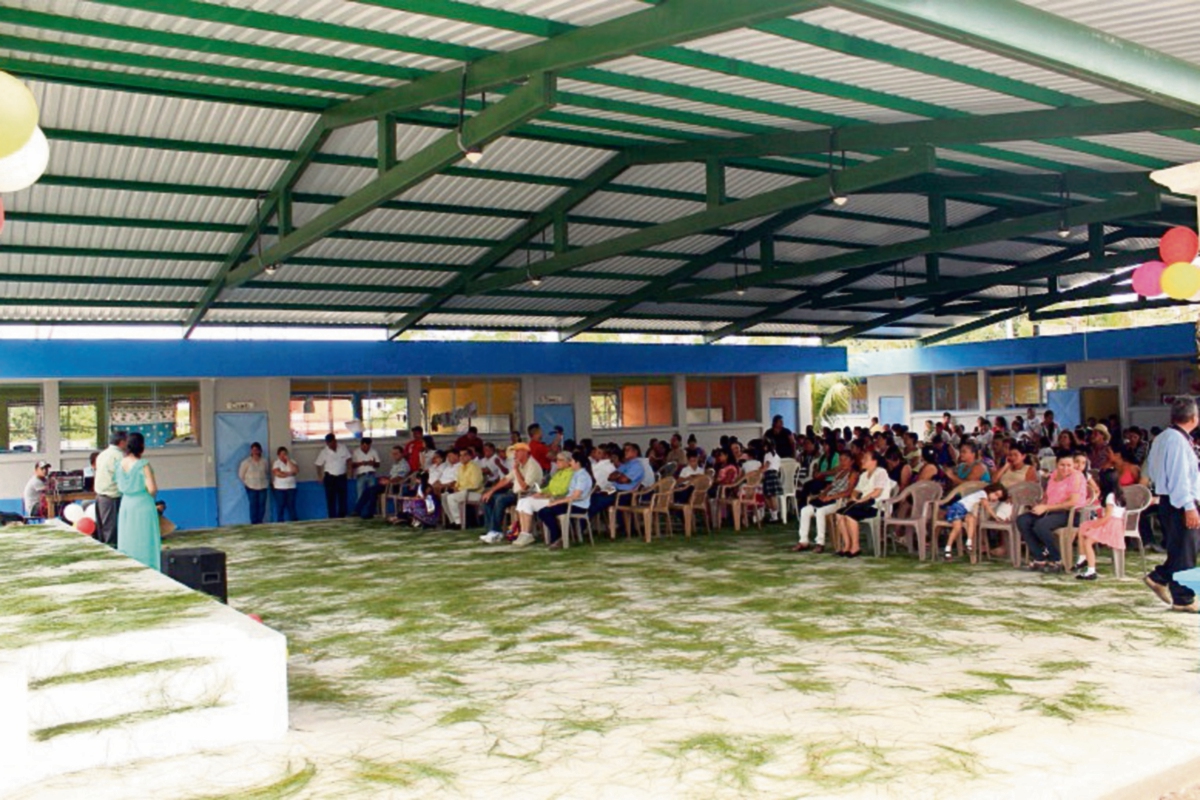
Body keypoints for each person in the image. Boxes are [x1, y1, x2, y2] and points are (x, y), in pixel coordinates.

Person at [1144, 397, 1200, 612]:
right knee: (1185, 552)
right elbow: (1179, 477)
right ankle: (1183, 598)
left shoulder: (1163, 437)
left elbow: (1154, 470)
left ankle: (1160, 576)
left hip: (1171, 499)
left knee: (1182, 549)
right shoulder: (1176, 440)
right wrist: (1189, 506)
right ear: (1193, 417)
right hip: (1179, 501)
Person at [1017, 453, 1086, 573]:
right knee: (1023, 520)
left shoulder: (1076, 476)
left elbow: (1072, 502)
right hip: (1051, 511)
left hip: (1069, 513)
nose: (1065, 468)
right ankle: (1039, 557)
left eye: (1069, 465)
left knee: (1040, 525)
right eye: (1062, 465)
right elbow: (1047, 496)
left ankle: (1057, 559)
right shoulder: (1054, 475)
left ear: (1073, 465)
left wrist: (1046, 507)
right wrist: (1040, 505)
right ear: (1056, 464)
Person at [479, 442, 544, 545]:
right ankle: (491, 530)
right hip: (515, 493)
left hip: (527, 495)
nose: (515, 454)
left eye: (518, 451)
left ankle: (496, 532)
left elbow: (525, 487)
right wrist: (491, 491)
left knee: (501, 499)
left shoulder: (532, 465)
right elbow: (506, 479)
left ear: (525, 452)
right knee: (488, 498)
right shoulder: (519, 464)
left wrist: (516, 470)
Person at [793, 456, 859, 554]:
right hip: (828, 499)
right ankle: (803, 541)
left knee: (820, 512)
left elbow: (848, 492)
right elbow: (830, 486)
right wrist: (823, 494)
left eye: (845, 459)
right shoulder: (840, 473)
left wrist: (832, 497)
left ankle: (820, 542)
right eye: (841, 460)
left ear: (852, 461)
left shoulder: (853, 474)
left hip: (839, 501)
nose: (842, 462)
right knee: (805, 510)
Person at [831, 450, 890, 558]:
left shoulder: (881, 472)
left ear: (874, 461)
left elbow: (877, 492)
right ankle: (847, 545)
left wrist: (861, 500)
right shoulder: (864, 475)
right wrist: (853, 497)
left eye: (865, 459)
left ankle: (855, 546)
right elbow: (856, 490)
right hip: (863, 504)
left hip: (876, 506)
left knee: (850, 515)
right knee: (839, 514)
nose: (862, 460)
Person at [115, 433, 160, 571]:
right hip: (143, 503)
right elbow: (152, 488)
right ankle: (149, 566)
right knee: (145, 538)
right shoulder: (143, 465)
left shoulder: (119, 464)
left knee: (128, 537)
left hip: (126, 503)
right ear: (141, 446)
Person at [1073, 469, 1128, 581]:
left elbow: (1107, 517)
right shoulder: (1118, 494)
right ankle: (1083, 557)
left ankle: (1091, 570)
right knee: (1083, 526)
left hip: (1110, 525)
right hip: (1111, 522)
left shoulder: (1110, 497)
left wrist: (1094, 526)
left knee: (1088, 541)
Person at [514, 451, 576, 547]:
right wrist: (541, 492)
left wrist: (546, 494)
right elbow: (549, 487)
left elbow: (563, 490)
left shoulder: (571, 473)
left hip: (557, 499)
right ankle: (523, 533)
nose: (557, 462)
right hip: (549, 497)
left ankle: (527, 534)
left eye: (560, 460)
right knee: (522, 501)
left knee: (528, 503)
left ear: (568, 462)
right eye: (556, 460)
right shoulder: (558, 473)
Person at [535, 450, 595, 549]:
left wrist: (557, 502)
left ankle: (557, 537)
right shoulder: (576, 474)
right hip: (571, 503)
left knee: (545, 512)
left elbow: (575, 496)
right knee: (543, 511)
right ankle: (558, 536)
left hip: (578, 505)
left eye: (571, 461)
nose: (570, 463)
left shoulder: (582, 476)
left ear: (577, 463)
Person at [938, 483, 1008, 561]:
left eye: (998, 497)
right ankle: (948, 548)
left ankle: (969, 542)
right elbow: (987, 507)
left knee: (972, 519)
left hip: (965, 511)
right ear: (990, 490)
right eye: (996, 494)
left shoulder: (984, 497)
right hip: (957, 508)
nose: (996, 498)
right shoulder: (983, 494)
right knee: (957, 527)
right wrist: (995, 517)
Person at [93, 431, 126, 546]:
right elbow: (123, 477)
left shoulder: (102, 454)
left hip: (100, 496)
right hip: (112, 496)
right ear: (122, 442)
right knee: (111, 531)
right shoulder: (119, 456)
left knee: (103, 529)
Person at [314, 433, 351, 518]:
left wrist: (349, 471)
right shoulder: (324, 452)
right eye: (328, 443)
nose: (330, 445)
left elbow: (349, 459)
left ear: (335, 441)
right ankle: (332, 517)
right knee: (330, 498)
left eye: (332, 443)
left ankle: (342, 516)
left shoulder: (343, 448)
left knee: (342, 497)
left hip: (341, 476)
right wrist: (320, 476)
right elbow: (318, 464)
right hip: (330, 477)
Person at [446, 448, 485, 527]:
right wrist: (455, 487)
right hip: (463, 492)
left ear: (470, 456)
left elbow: (475, 485)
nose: (462, 457)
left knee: (451, 498)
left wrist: (460, 489)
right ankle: (452, 521)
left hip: (475, 493)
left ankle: (459, 522)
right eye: (460, 455)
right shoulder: (460, 468)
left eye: (464, 455)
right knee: (445, 496)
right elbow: (458, 482)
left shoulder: (474, 467)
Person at [238, 442, 270, 524]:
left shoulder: (264, 461)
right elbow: (241, 475)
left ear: (260, 451)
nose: (255, 452)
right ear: (251, 451)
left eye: (257, 450)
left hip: (263, 486)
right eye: (253, 450)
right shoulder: (246, 462)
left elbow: (267, 471)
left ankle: (260, 521)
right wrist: (246, 484)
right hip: (251, 487)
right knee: (253, 505)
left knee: (262, 505)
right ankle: (254, 522)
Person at [350, 437, 381, 519]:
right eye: (364, 446)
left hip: (371, 474)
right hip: (361, 475)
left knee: (372, 494)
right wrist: (361, 463)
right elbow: (352, 465)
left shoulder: (373, 451)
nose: (366, 448)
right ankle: (358, 511)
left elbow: (378, 464)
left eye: (367, 446)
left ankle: (371, 511)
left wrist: (372, 463)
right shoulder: (356, 452)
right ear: (361, 445)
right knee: (360, 494)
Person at [272, 446, 299, 522]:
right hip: (280, 488)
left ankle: (294, 521)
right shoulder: (276, 463)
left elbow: (296, 471)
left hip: (291, 487)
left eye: (285, 454)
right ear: (278, 455)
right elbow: (278, 474)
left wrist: (288, 461)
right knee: (280, 506)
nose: (283, 455)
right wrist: (290, 473)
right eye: (282, 454)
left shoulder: (292, 461)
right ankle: (280, 522)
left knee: (291, 506)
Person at [761, 440, 783, 522]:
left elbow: (767, 465)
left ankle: (774, 516)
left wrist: (759, 472)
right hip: (774, 475)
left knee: (771, 496)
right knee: (770, 496)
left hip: (769, 474)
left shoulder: (768, 454)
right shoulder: (777, 455)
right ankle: (774, 515)